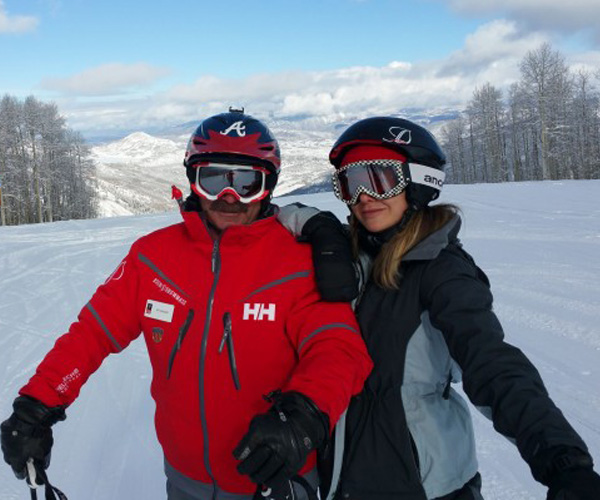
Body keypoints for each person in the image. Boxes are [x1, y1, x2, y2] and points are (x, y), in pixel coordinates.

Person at [0, 109, 373, 500]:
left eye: (247, 183)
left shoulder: (297, 264)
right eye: (213, 179)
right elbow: (92, 334)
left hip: (274, 477)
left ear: (269, 186)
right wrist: (37, 405)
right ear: (193, 180)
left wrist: (302, 418)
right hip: (184, 477)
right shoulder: (153, 258)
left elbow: (338, 349)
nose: (229, 198)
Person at [279, 116, 600, 500]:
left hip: (425, 484)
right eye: (350, 182)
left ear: (417, 183)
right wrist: (319, 225)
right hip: (342, 481)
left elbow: (492, 363)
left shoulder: (441, 270)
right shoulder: (349, 257)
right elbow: (269, 214)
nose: (363, 196)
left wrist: (563, 462)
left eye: (380, 179)